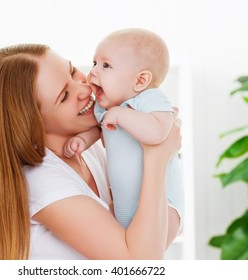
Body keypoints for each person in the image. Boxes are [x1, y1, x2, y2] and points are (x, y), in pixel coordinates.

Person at [0, 43, 182, 260]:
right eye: (64, 96)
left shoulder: (86, 149)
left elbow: (147, 236)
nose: (84, 89)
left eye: (73, 72)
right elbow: (141, 261)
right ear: (31, 123)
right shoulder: (41, 181)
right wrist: (157, 154)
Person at [63, 28, 184, 233]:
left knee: (146, 250)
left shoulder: (149, 99)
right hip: (122, 206)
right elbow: (100, 130)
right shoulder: (105, 108)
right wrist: (83, 141)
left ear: (140, 81)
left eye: (106, 65)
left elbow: (159, 132)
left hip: (164, 204)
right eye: (94, 63)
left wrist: (121, 115)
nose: (94, 71)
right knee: (106, 238)